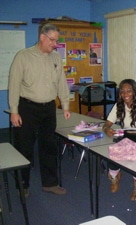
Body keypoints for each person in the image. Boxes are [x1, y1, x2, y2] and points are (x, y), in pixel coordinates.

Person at [8, 23, 71, 197]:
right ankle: (23, 184)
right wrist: (14, 110)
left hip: (49, 108)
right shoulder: (23, 56)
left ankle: (50, 184)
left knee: (49, 146)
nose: (55, 44)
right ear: (42, 37)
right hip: (27, 107)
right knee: (24, 147)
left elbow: (61, 82)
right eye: (52, 40)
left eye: (57, 40)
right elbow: (13, 84)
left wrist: (65, 104)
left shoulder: (56, 57)